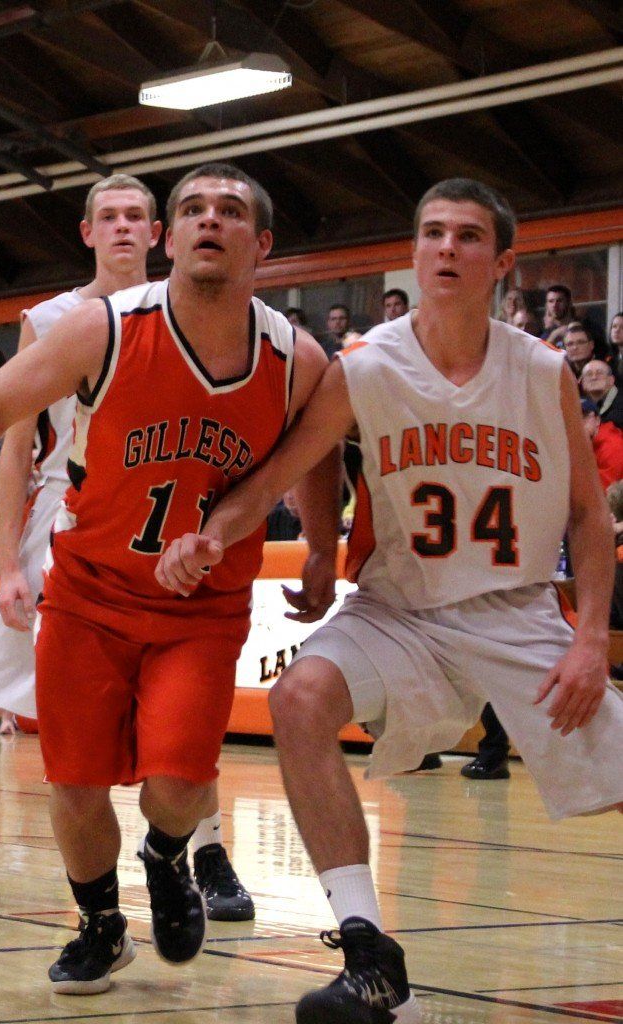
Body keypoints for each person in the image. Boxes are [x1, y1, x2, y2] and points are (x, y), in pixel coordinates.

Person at [0, 165, 337, 990]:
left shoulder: (296, 356)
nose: (205, 221)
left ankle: (167, 853)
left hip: (200, 604)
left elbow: (319, 452)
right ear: (169, 238)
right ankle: (100, 922)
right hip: (90, 590)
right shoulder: (96, 327)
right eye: (191, 209)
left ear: (261, 245)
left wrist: (323, 549)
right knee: (71, 782)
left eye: (226, 211)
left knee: (178, 785)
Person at [154, 176, 623, 1024]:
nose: (446, 247)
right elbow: (279, 475)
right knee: (299, 699)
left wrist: (589, 637)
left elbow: (590, 518)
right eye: (432, 232)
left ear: (501, 263)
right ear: (412, 252)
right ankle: (369, 954)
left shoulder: (541, 370)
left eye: (467, 236)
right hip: (399, 608)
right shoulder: (365, 367)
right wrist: (215, 536)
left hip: (513, 609)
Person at [582, 398, 623, 489]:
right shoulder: (585, 446)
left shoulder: (612, 446)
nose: (579, 423)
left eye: (584, 416)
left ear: (597, 420)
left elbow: (603, 493)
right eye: (573, 419)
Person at [580, 359, 623, 429]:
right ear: (582, 383)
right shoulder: (581, 406)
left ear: (611, 380)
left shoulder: (620, 406)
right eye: (589, 374)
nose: (594, 377)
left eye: (599, 373)